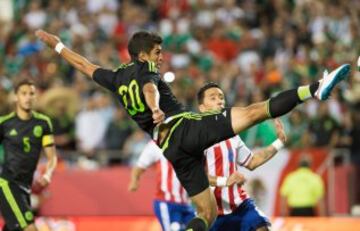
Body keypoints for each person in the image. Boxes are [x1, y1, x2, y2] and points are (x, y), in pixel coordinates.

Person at [35, 29, 350, 231]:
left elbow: (86, 66)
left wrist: (58, 45)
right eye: (157, 52)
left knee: (206, 213)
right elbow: (149, 88)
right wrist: (156, 106)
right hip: (181, 127)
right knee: (254, 112)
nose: (161, 58)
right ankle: (315, 89)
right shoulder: (147, 71)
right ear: (143, 54)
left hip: (169, 148)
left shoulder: (115, 78)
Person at [197, 82, 286, 231]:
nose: (220, 101)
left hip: (240, 205)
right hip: (211, 212)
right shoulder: (195, 138)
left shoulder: (232, 134)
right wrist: (225, 181)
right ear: (202, 108)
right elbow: (196, 176)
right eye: (213, 98)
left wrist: (279, 143)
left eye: (221, 97)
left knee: (262, 228)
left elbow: (252, 161)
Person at [0, 79, 58, 231]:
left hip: (26, 186)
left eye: (31, 93)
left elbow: (52, 157)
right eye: (23, 93)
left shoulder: (43, 123)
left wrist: (48, 174)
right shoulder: (4, 124)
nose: (28, 97)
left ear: (36, 96)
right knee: (30, 228)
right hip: (8, 184)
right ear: (15, 97)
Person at [128, 140, 195, 231]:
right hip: (166, 202)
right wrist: (134, 181)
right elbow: (140, 166)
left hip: (187, 203)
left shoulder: (190, 141)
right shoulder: (156, 145)